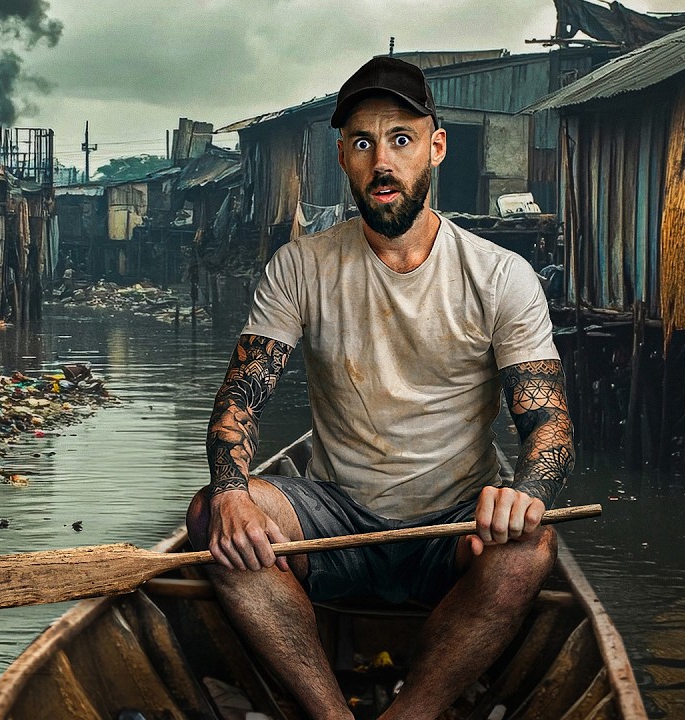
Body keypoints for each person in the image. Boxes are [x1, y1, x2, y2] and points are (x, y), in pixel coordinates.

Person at [186, 56, 574, 720]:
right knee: (214, 519)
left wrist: (526, 495)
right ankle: (331, 713)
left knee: (529, 548)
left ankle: (411, 713)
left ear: (436, 147)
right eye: (363, 142)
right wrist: (229, 493)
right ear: (343, 155)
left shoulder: (500, 275)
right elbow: (242, 398)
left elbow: (550, 428)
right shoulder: (301, 266)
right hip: (332, 520)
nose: (382, 161)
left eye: (401, 139)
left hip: (453, 526)